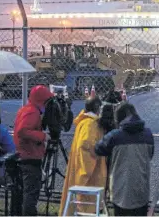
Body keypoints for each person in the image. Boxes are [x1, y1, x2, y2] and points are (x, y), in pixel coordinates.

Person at [95, 103, 154, 216]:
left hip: (120, 192)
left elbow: (98, 148)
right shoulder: (148, 134)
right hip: (141, 191)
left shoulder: (115, 136)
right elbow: (150, 155)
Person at [59, 97, 107, 216]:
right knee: (87, 207)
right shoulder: (90, 124)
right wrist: (85, 173)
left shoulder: (84, 122)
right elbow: (86, 147)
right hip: (89, 174)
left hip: (83, 170)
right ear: (97, 108)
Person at [14, 85, 53, 216]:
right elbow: (22, 131)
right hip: (29, 157)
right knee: (31, 194)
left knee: (25, 193)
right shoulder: (32, 112)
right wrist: (43, 136)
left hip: (25, 155)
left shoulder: (26, 109)